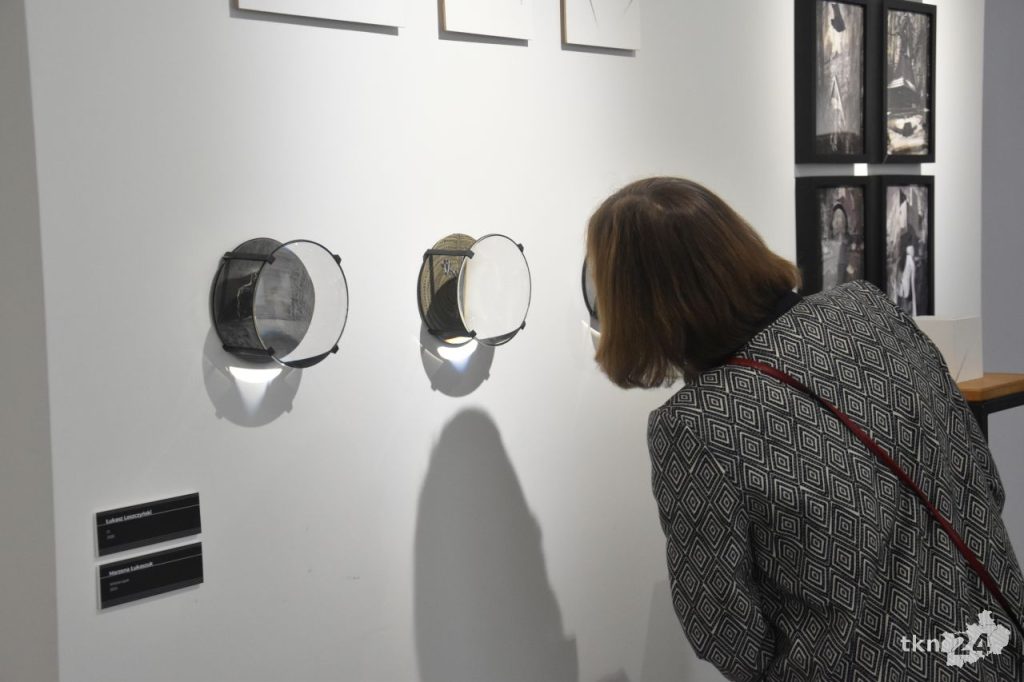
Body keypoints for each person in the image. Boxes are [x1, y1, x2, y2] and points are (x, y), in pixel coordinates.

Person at [585, 177, 1023, 681]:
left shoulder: (694, 424)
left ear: (639, 305)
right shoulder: (868, 309)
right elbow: (982, 478)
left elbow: (723, 628)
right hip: (993, 643)